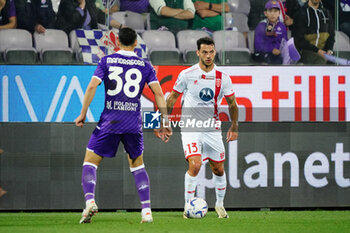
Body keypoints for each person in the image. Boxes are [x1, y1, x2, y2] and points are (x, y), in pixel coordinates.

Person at [75, 27, 172, 224]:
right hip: (132, 123)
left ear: (117, 42)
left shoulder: (106, 60)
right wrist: (165, 121)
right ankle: (146, 211)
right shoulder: (145, 65)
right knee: (138, 166)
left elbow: (93, 86)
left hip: (110, 121)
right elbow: (159, 94)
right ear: (136, 43)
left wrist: (83, 113)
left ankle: (90, 202)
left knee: (90, 162)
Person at [166, 37, 238, 219]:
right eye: (204, 52)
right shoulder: (187, 74)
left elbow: (232, 104)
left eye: (211, 52)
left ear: (215, 52)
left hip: (212, 127)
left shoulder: (223, 78)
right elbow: (172, 98)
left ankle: (220, 205)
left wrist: (234, 125)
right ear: (198, 53)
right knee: (196, 165)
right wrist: (164, 121)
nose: (208, 55)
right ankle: (188, 207)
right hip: (190, 126)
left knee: (218, 169)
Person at [292, 0, 334, 64]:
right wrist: (318, 51)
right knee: (320, 60)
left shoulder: (327, 13)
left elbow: (331, 35)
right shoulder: (301, 13)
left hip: (322, 51)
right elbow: (299, 40)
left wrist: (329, 50)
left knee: (336, 60)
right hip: (304, 51)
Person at [56, 0, 123, 35]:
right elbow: (75, 19)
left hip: (89, 37)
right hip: (73, 38)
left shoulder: (89, 2)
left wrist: (121, 26)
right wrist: (82, 6)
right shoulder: (65, 3)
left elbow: (102, 16)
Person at [253, 0, 288, 64]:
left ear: (279, 13)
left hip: (278, 54)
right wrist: (271, 49)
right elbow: (258, 45)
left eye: (275, 11)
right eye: (270, 11)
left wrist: (280, 50)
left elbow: (285, 42)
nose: (273, 14)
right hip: (264, 54)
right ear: (265, 13)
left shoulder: (282, 26)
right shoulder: (261, 25)